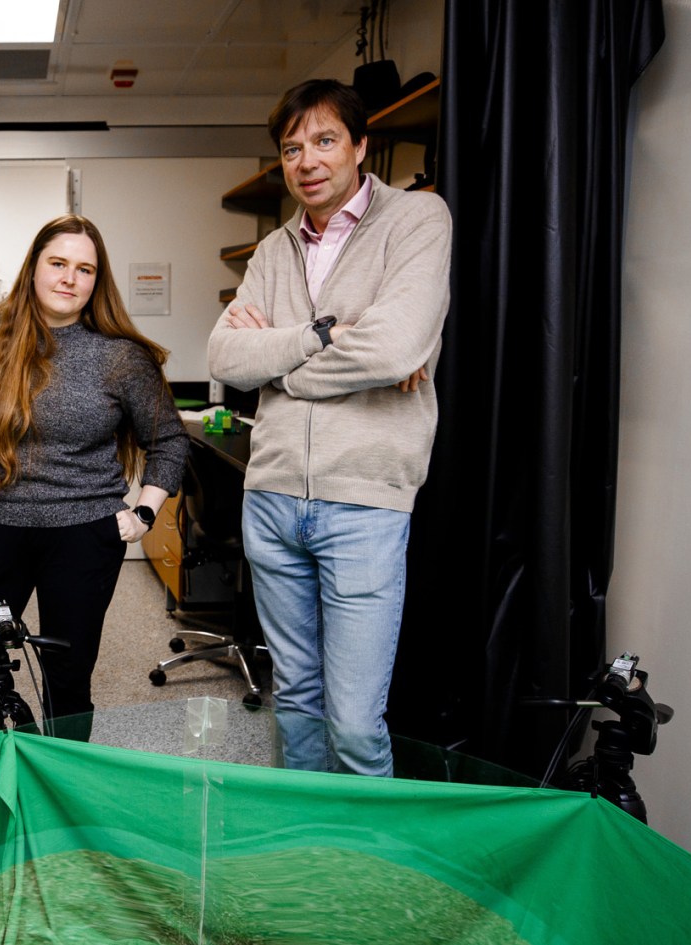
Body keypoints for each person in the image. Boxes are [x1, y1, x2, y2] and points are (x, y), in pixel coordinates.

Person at [207, 79, 452, 776]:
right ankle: (307, 861)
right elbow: (224, 357)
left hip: (366, 502)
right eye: (291, 148)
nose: (307, 161)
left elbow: (395, 346)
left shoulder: (417, 219)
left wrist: (280, 358)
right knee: (298, 704)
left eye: (324, 140)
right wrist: (324, 334)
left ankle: (368, 874)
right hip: (274, 499)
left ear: (360, 145)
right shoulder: (274, 249)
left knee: (353, 722)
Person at [0, 214, 188, 757]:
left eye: (84, 269)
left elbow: (170, 440)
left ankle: (63, 798)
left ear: (97, 280)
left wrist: (142, 514)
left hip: (84, 537)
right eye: (58, 263)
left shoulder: (120, 355)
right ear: (35, 267)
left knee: (67, 680)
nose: (70, 277)